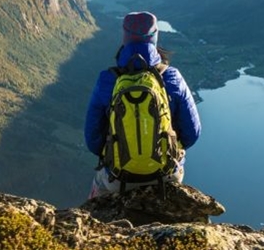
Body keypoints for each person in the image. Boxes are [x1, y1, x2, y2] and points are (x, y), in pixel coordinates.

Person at [84, 11, 201, 198]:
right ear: (154, 37)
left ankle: (93, 219)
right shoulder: (172, 77)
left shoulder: (107, 80)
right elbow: (192, 134)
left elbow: (93, 140)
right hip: (167, 175)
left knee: (97, 189)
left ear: (125, 37)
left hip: (118, 178)